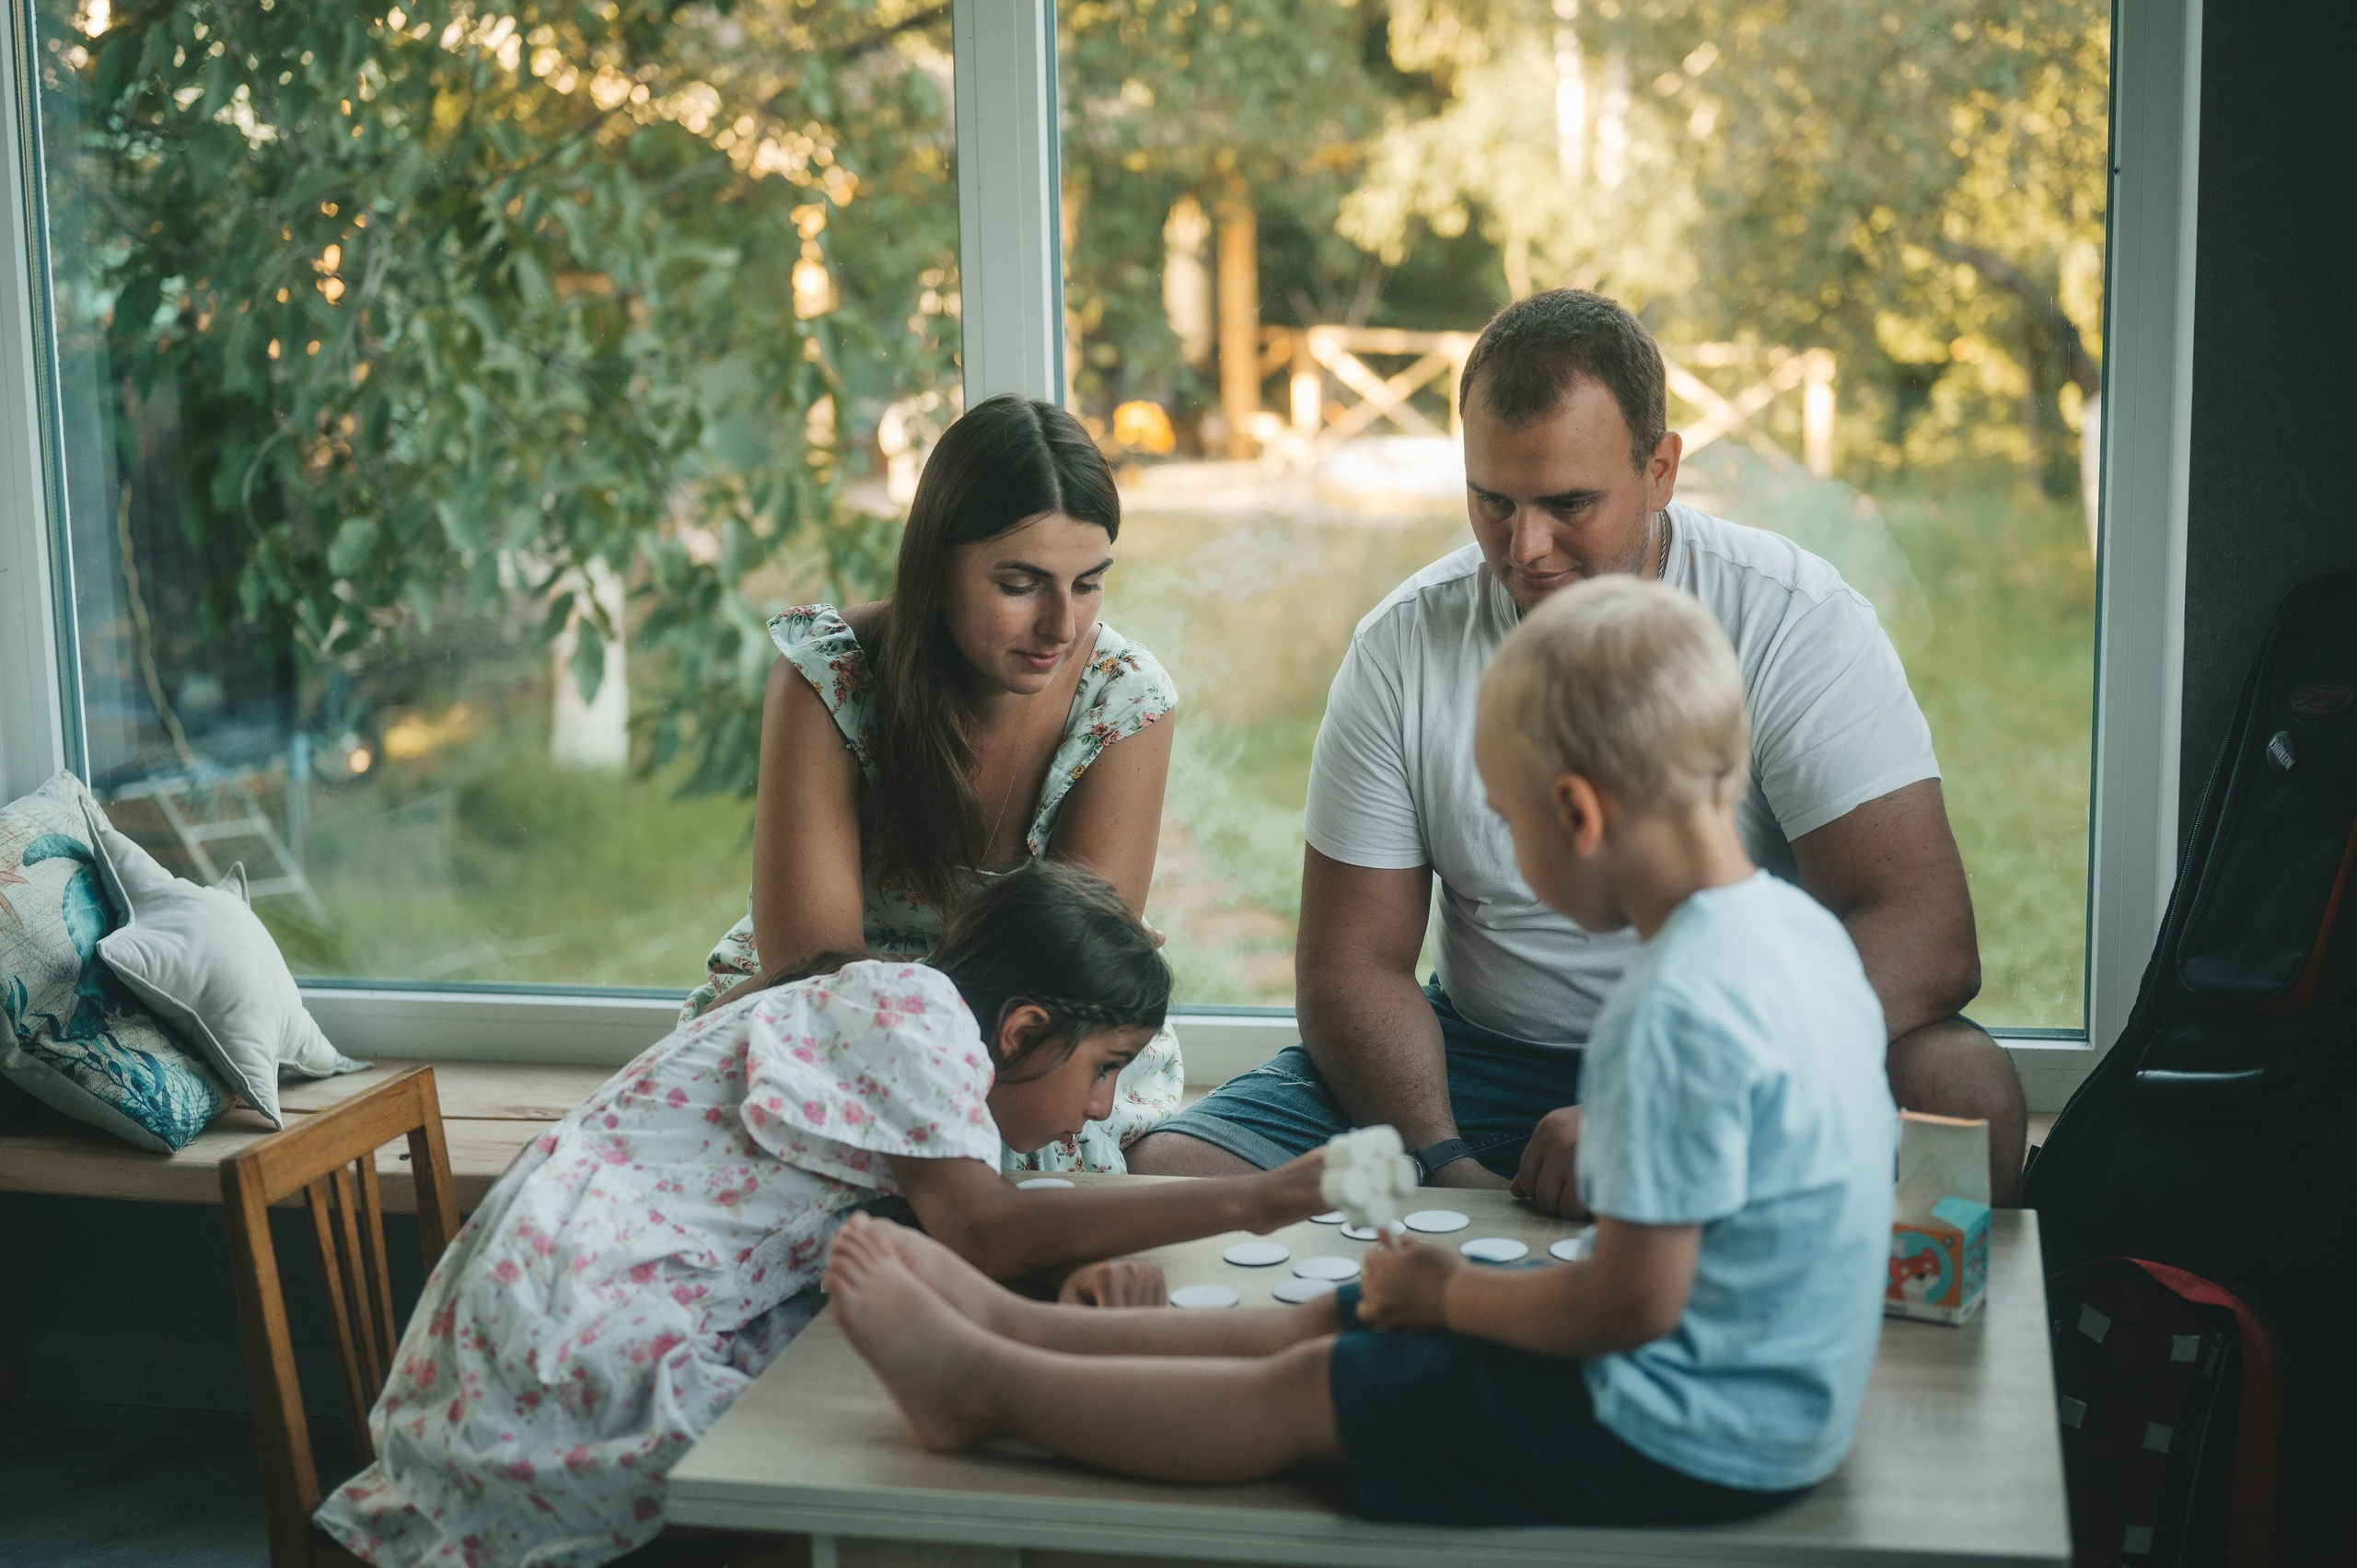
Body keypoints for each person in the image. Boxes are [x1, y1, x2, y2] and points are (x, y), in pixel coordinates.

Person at [824, 578, 1898, 1525]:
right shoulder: (1795, 935)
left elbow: (1628, 1304)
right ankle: (1017, 1324)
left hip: (1686, 1436)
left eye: (1508, 822)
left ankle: (983, 1387)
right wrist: (1436, 1293)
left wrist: (1455, 1296)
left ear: (1576, 812)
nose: (1509, 850)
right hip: (1780, 1400)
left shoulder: (1672, 1004)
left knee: (1315, 1387)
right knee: (1342, 1313)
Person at [1132, 287, 2026, 1203]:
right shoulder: (1402, 645)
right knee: (1170, 1174)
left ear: (1661, 469)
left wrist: (1669, 1100)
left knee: (1959, 1094)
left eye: (1568, 503)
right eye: (1492, 501)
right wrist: (1444, 1161)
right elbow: (1348, 963)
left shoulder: (1793, 617)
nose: (1524, 547)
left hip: (1738, 1043)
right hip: (1474, 1063)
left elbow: (1928, 934)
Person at [316, 862, 1329, 1568]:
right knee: (936, 1466)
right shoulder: (917, 1017)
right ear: (1023, 1028)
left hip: (528, 1316)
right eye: (1104, 1067)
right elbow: (981, 1227)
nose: (1104, 1106)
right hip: (571, 1350)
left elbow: (959, 1233)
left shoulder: (885, 1017)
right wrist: (1259, 1194)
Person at [685, 393, 1185, 1176]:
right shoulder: (831, 675)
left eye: (1088, 583)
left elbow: (1066, 997)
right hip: (831, 1027)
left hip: (1028, 1051)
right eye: (1021, 584)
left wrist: (1037, 973)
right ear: (937, 565)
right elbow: (814, 974)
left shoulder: (1125, 701)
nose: (1062, 625)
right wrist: (1009, 964)